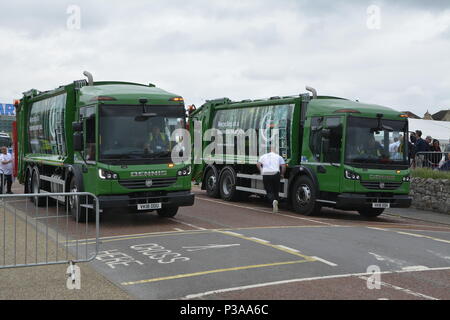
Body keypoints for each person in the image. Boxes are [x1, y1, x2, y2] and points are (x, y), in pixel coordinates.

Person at [257, 145, 286, 213]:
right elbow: (283, 166)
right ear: (276, 150)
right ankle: (276, 203)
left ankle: (273, 201)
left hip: (266, 174)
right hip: (276, 174)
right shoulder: (279, 157)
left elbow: (258, 164)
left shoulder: (264, 156)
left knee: (269, 190)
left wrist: (261, 171)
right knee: (276, 190)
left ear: (269, 150)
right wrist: (282, 174)